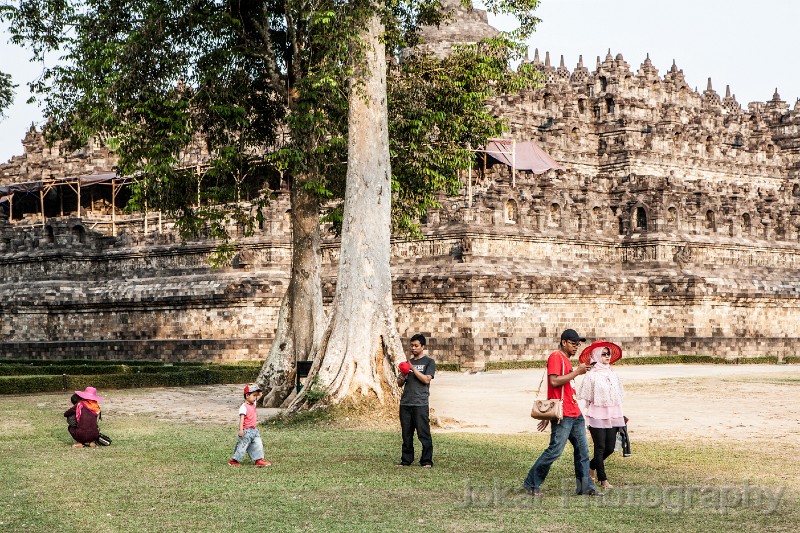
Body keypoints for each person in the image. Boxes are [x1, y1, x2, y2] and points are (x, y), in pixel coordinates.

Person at [523, 329, 599, 496]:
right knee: (555, 450)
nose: (575, 347)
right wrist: (577, 372)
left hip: (574, 412)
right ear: (563, 342)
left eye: (578, 345)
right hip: (564, 415)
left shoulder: (566, 360)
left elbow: (563, 387)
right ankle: (531, 483)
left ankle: (585, 487)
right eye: (573, 344)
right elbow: (554, 381)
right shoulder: (556, 357)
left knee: (583, 452)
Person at [577, 340, 625, 489]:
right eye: (604, 354)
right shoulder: (591, 376)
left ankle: (591, 466)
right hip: (596, 416)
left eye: (608, 353)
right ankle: (603, 480)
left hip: (613, 415)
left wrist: (621, 415)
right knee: (600, 447)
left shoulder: (613, 374)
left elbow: (619, 396)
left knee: (610, 447)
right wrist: (579, 417)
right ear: (596, 355)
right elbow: (584, 398)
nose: (607, 356)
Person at [397, 333, 436, 467]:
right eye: (411, 346)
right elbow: (399, 384)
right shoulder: (407, 363)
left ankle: (426, 461)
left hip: (420, 403)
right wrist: (403, 374)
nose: (413, 348)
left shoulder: (429, 362)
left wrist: (413, 368)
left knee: (423, 433)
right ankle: (406, 460)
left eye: (416, 346)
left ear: (422, 346)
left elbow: (426, 379)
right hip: (406, 403)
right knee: (406, 434)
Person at [228, 383, 271, 467]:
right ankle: (234, 460)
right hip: (246, 431)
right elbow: (242, 419)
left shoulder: (253, 404)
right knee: (242, 446)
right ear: (247, 395)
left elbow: (260, 394)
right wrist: (241, 430)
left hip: (254, 430)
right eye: (254, 395)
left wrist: (256, 386)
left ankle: (259, 460)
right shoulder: (243, 407)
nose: (255, 397)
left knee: (258, 444)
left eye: (256, 396)